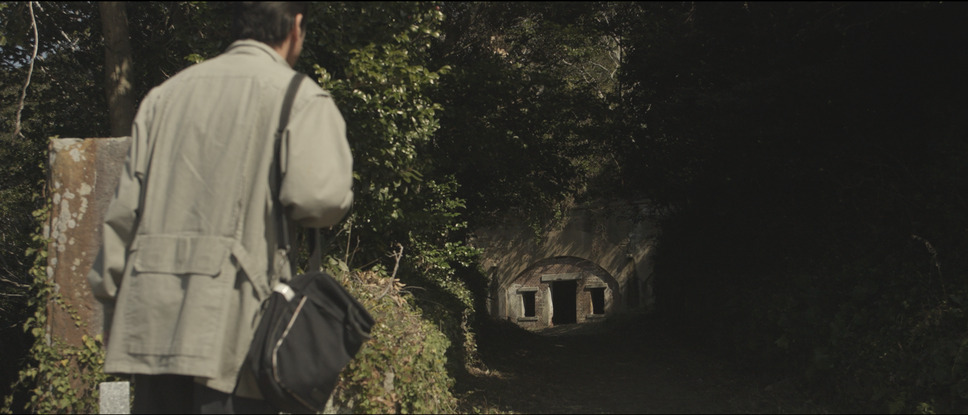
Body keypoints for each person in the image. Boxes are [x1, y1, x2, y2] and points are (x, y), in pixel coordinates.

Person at [87, 2, 354, 413]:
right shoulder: (299, 97)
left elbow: (124, 216)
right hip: (234, 328)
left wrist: (112, 306)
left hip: (149, 324)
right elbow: (319, 200)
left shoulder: (164, 97)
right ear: (296, 28)